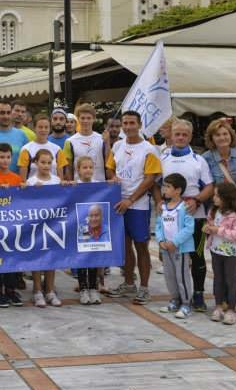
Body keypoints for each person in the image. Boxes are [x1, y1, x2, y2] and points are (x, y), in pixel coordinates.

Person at [105, 111, 161, 305]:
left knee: (141, 246)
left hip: (138, 205)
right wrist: (112, 177)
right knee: (125, 245)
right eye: (125, 123)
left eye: (132, 123)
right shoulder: (118, 145)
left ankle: (144, 287)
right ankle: (128, 283)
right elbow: (110, 167)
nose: (128, 127)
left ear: (139, 125)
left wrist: (131, 199)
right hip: (118, 202)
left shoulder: (149, 149)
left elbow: (150, 178)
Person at [160, 118, 214, 312]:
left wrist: (197, 200)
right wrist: (160, 202)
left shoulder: (199, 160)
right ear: (171, 135)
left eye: (185, 134)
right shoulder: (163, 158)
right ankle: (177, 296)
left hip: (195, 216)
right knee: (171, 257)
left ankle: (198, 295)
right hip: (170, 219)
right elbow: (156, 184)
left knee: (197, 257)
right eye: (177, 134)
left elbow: (209, 186)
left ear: (190, 136)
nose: (181, 137)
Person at [0, 143, 24, 307]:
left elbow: (23, 201)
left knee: (11, 259)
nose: (5, 160)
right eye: (1, 157)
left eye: (8, 157)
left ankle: (10, 290)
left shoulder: (16, 178)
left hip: (12, 226)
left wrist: (24, 188)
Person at [25, 149, 65, 308]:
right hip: (37, 225)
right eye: (43, 162)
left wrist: (67, 185)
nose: (46, 165)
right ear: (36, 163)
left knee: (51, 257)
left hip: (53, 225)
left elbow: (66, 197)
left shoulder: (56, 180)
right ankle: (37, 290)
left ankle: (50, 290)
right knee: (37, 257)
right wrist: (31, 191)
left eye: (49, 162)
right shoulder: (31, 181)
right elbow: (25, 202)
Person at [204, 182, 236, 325]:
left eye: (217, 195)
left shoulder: (235, 216)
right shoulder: (213, 211)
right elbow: (210, 225)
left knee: (231, 280)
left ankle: (231, 309)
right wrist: (208, 229)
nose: (214, 198)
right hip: (216, 251)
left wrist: (218, 230)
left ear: (226, 198)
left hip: (230, 254)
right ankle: (218, 306)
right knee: (218, 279)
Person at [155, 173, 195, 319]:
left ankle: (186, 303)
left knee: (182, 276)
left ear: (178, 190)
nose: (164, 189)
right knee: (169, 276)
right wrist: (161, 241)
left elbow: (189, 228)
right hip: (166, 249)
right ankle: (174, 299)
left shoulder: (185, 207)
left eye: (168, 187)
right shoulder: (163, 207)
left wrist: (175, 242)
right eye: (164, 186)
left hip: (180, 249)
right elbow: (158, 226)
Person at [74, 156, 103, 305]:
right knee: (82, 258)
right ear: (78, 170)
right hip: (81, 227)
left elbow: (107, 195)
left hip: (95, 226)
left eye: (90, 167)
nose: (88, 170)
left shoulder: (98, 185)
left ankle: (93, 287)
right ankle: (83, 288)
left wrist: (113, 183)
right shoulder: (75, 185)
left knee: (93, 256)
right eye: (84, 167)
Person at [202, 119, 236, 196]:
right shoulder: (205, 159)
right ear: (211, 138)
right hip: (218, 205)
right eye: (217, 135)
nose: (222, 138)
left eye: (225, 134)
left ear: (231, 136)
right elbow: (205, 187)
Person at [0, 100, 30, 173]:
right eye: (2, 113)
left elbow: (27, 162)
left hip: (16, 182)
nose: (6, 116)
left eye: (8, 113)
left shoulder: (22, 135)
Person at [63, 103, 108, 181]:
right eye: (82, 118)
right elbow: (68, 168)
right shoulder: (69, 141)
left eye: (88, 118)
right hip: (79, 187)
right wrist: (70, 185)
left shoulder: (102, 139)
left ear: (94, 119)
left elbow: (108, 164)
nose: (85, 121)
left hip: (100, 187)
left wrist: (107, 143)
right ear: (78, 119)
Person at [17, 113, 68, 180]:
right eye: (40, 127)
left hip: (53, 189)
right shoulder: (26, 149)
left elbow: (60, 179)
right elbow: (23, 180)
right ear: (34, 128)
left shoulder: (57, 149)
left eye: (46, 127)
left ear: (50, 129)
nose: (43, 130)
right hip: (33, 188)